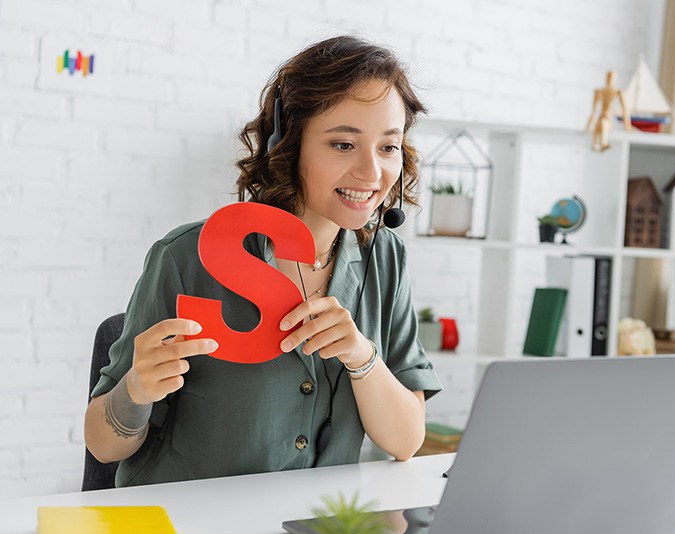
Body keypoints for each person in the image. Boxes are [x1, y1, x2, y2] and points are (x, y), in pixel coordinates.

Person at [84, 35, 442, 487]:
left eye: (388, 147)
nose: (372, 174)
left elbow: (406, 441)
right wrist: (135, 389)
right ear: (287, 147)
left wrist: (361, 356)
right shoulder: (184, 257)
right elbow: (103, 444)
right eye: (343, 145)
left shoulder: (385, 259)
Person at [585, 70, 631, 151]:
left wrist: (627, 126)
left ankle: (602, 143)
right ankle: (596, 144)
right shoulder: (598, 91)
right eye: (608, 76)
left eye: (612, 77)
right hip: (600, 118)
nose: (610, 79)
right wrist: (587, 127)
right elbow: (593, 112)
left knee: (603, 123)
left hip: (607, 118)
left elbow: (625, 110)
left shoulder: (618, 92)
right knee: (597, 126)